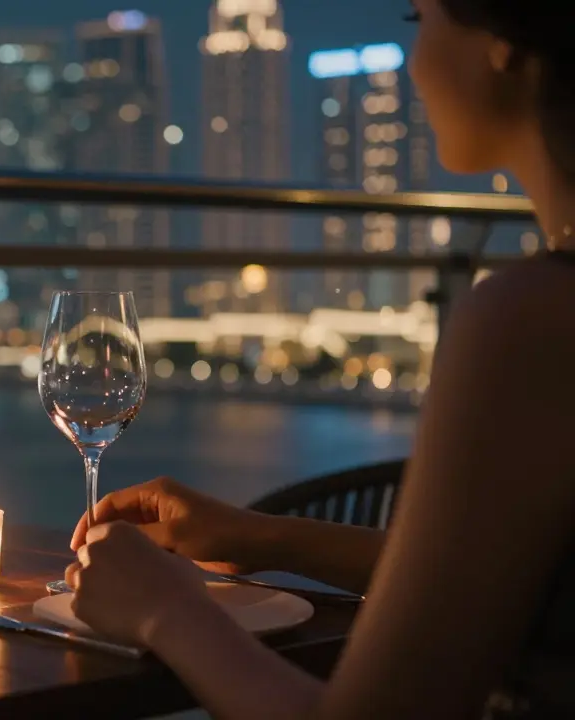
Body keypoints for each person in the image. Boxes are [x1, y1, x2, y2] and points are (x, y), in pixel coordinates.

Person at [63, 2, 575, 718]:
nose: (416, 61)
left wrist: (166, 612)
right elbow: (523, 578)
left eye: (418, 17)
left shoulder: (531, 319)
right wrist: (262, 538)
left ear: (503, 44)